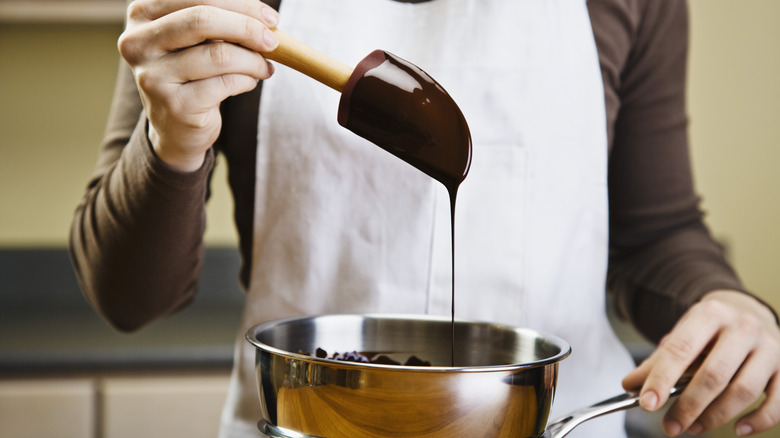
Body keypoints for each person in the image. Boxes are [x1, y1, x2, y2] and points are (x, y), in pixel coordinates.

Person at [70, 0, 780, 437]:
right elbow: (128, 298)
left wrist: (728, 305)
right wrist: (173, 141)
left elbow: (655, 234)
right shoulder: (213, 4)